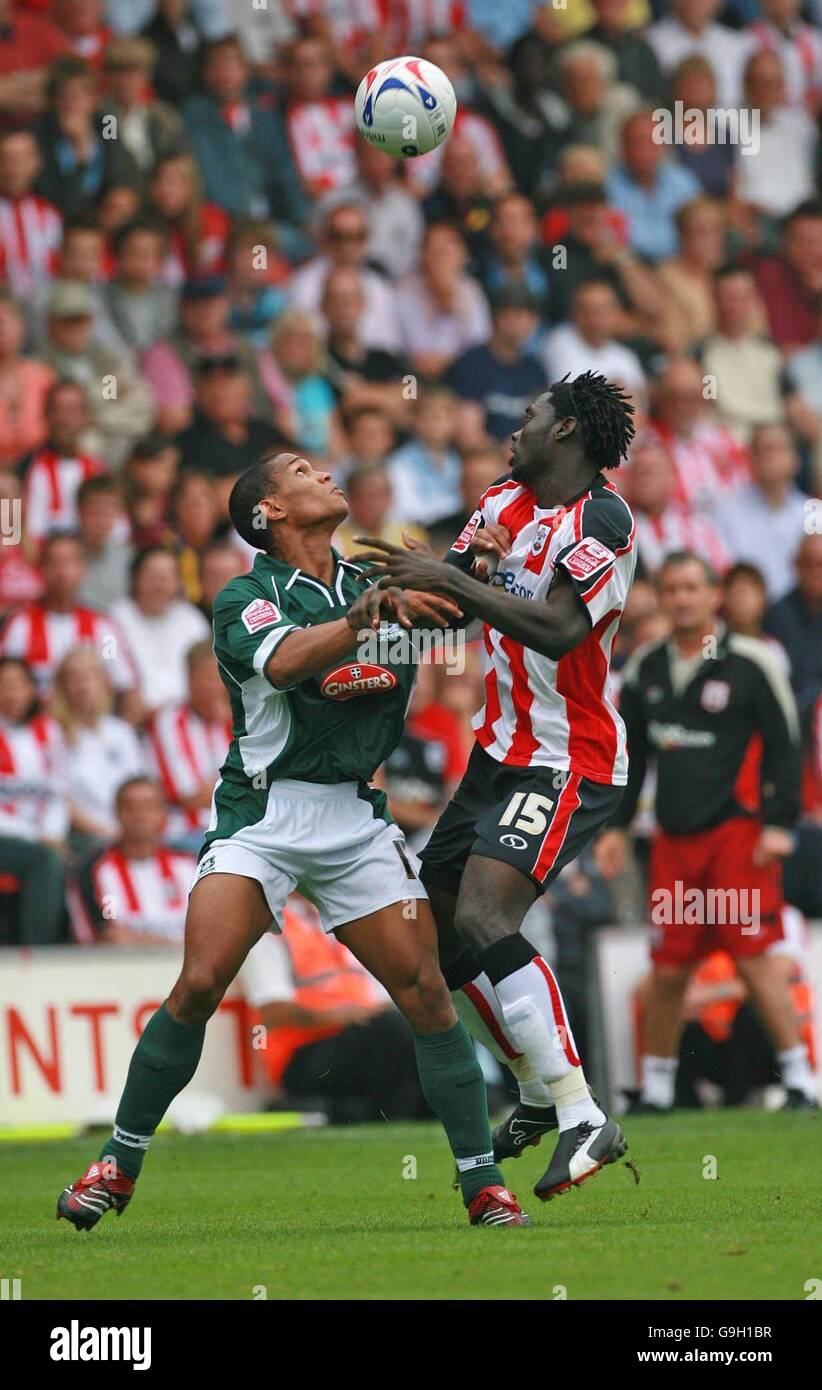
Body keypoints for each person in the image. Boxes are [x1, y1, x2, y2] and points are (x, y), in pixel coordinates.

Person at [57, 449, 530, 1231]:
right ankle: (119, 1160)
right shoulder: (246, 596)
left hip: (353, 816)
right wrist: (366, 618)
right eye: (302, 471)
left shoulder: (369, 584)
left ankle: (482, 1184)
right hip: (264, 816)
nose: (324, 474)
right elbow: (282, 663)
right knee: (202, 979)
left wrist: (471, 568)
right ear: (269, 511)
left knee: (424, 993)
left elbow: (447, 621)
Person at [355, 372, 637, 1201]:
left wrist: (448, 583)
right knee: (445, 936)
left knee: (486, 914)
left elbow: (556, 628)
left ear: (567, 434)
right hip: (497, 753)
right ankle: (533, 1089)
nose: (515, 427)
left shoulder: (605, 522)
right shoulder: (500, 501)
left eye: (531, 416)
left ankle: (586, 1114)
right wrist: (388, 603)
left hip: (569, 758)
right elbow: (458, 603)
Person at [596, 551, 814, 1110]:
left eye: (692, 587)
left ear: (714, 595)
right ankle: (659, 1090)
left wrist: (779, 822)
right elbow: (633, 758)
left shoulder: (751, 661)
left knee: (754, 959)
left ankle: (800, 1081)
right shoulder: (646, 668)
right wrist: (617, 827)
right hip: (673, 841)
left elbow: (787, 745)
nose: (682, 598)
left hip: (737, 837)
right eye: (671, 589)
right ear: (662, 598)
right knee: (668, 967)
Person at [240, 894, 428, 1123]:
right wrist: (340, 1016)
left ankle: (403, 1109)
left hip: (357, 1035)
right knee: (389, 1029)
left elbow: (381, 994)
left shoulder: (337, 918)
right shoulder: (267, 927)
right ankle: (398, 1115)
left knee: (427, 1020)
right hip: (300, 1055)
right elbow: (272, 1009)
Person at [71, 776, 195, 946]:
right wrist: (176, 945)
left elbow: (212, 935)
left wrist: (142, 940)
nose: (139, 814)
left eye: (149, 806)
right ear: (117, 813)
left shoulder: (190, 867)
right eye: (129, 806)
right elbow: (109, 938)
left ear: (164, 813)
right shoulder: (95, 872)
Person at [0, 656, 68, 945]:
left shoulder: (48, 730)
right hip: (9, 837)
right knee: (45, 860)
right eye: (4, 686)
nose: (12, 693)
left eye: (18, 685)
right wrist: (39, 837)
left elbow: (58, 793)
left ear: (32, 689)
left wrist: (52, 833)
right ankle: (39, 954)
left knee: (92, 852)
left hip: (43, 835)